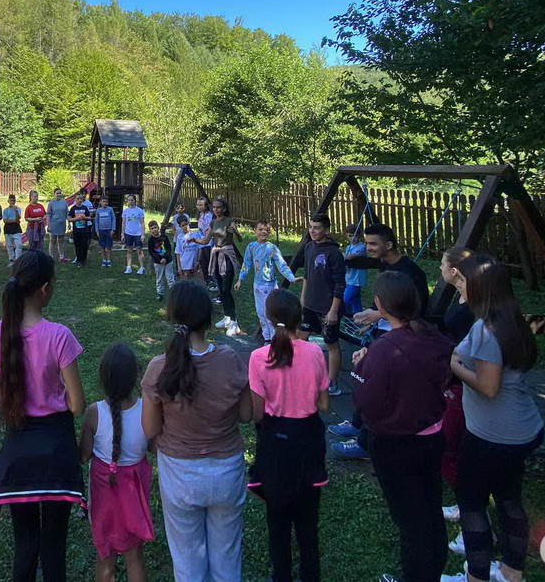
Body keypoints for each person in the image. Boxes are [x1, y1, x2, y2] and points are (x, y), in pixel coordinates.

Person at [0, 251, 86, 582]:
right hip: (56, 452)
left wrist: (17, 392)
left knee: (25, 546)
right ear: (45, 289)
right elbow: (77, 405)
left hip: (18, 454)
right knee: (54, 546)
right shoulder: (59, 335)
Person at [141, 281, 252, 582]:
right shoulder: (230, 359)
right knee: (227, 558)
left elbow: (150, 429)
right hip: (227, 472)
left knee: (187, 560)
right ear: (208, 319)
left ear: (172, 316)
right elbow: (246, 415)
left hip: (179, 475)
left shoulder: (159, 367)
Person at [443, 255, 544, 582]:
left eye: (465, 281)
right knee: (508, 497)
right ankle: (512, 571)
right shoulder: (513, 321)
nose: (461, 285)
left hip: (492, 435)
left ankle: (476, 576)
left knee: (471, 503)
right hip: (523, 428)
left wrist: (454, 365)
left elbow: (488, 387)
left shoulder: (485, 330)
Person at [351, 271, 453, 582]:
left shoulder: (384, 349)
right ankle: (432, 572)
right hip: (432, 437)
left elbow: (366, 402)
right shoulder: (435, 338)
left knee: (411, 522)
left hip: (396, 446)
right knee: (431, 510)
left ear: (380, 304)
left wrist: (361, 366)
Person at [248, 288, 329, 582]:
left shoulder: (258, 357)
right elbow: (324, 404)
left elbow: (258, 413)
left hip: (275, 445)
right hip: (307, 441)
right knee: (308, 525)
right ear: (299, 317)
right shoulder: (315, 353)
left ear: (269, 318)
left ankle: (281, 575)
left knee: (277, 522)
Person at [332, 222, 429, 458]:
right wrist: (373, 321)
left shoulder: (411, 272)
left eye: (373, 244)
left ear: (389, 244)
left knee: (377, 385)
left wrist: (378, 314)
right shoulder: (386, 264)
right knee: (363, 376)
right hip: (382, 330)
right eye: (366, 243)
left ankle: (365, 443)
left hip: (398, 337)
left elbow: (415, 311)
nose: (368, 248)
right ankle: (357, 423)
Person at [79, 342, 154, 582]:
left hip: (103, 495)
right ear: (135, 377)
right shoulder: (146, 410)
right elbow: (153, 447)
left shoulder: (94, 413)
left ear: (103, 378)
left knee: (105, 556)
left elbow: (83, 456)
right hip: (135, 492)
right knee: (135, 555)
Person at [436, 247, 477, 542]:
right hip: (453, 380)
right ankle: (466, 507)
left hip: (463, 383)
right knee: (453, 448)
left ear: (454, 271)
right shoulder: (460, 298)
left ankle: (474, 518)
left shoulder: (474, 308)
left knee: (448, 449)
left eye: (442, 264)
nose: (439, 268)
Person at [288, 213, 347, 394]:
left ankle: (332, 383)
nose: (312, 231)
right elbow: (307, 275)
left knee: (331, 343)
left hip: (328, 307)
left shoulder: (334, 253)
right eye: (310, 227)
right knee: (300, 337)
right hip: (310, 304)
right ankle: (299, 373)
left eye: (317, 228)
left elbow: (340, 284)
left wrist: (333, 310)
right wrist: (303, 297)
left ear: (326, 231)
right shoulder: (309, 247)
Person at [238, 220, 297, 343]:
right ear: (255, 231)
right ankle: (267, 338)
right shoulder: (251, 247)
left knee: (270, 313)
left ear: (269, 233)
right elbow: (246, 263)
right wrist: (240, 279)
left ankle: (275, 339)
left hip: (269, 286)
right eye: (260, 229)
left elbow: (281, 264)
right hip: (257, 285)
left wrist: (291, 278)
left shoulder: (272, 248)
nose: (263, 232)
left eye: (266, 230)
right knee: (260, 312)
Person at [198, 198, 242, 337]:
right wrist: (192, 239)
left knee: (226, 289)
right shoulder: (212, 222)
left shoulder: (229, 221)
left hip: (227, 255)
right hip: (216, 255)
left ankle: (234, 322)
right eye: (214, 207)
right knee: (220, 288)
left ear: (224, 209)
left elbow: (240, 239)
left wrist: (235, 231)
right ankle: (226, 317)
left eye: (218, 207)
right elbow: (205, 240)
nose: (216, 209)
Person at [146, 220, 176, 301]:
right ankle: (160, 293)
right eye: (152, 228)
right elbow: (151, 252)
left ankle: (173, 292)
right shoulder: (151, 240)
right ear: (150, 230)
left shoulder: (164, 237)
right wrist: (159, 259)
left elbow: (168, 248)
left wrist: (165, 258)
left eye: (155, 227)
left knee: (170, 277)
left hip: (168, 261)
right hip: (158, 262)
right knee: (159, 278)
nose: (154, 230)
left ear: (158, 228)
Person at [343, 225, 367, 316]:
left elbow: (350, 257)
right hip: (349, 276)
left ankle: (349, 315)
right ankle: (358, 318)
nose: (353, 238)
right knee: (355, 300)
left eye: (355, 235)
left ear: (359, 235)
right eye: (350, 236)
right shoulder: (348, 247)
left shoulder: (361, 247)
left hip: (357, 279)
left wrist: (339, 254)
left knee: (346, 298)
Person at [122, 195, 147, 276]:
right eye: (129, 200)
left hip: (137, 234)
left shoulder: (139, 211)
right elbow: (123, 223)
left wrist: (143, 234)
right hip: (128, 233)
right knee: (129, 250)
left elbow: (142, 223)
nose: (130, 201)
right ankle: (128, 267)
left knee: (139, 250)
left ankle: (142, 267)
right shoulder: (125, 211)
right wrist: (122, 234)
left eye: (132, 200)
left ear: (135, 201)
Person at [68, 192, 94, 267]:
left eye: (81, 198)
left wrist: (84, 218)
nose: (80, 200)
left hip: (85, 230)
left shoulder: (85, 208)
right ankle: (79, 260)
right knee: (77, 245)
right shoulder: (73, 208)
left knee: (84, 245)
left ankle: (84, 260)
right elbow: (69, 219)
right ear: (75, 199)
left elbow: (89, 217)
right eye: (78, 199)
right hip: (76, 230)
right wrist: (77, 218)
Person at [195, 197, 215, 290]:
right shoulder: (200, 215)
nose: (199, 207)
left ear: (206, 205)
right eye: (198, 205)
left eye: (201, 205)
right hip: (201, 240)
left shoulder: (210, 215)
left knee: (209, 259)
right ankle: (206, 279)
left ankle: (212, 279)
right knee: (202, 260)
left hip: (209, 240)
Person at [46, 188, 70, 262]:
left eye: (60, 193)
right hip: (53, 224)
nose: (59, 194)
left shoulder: (64, 203)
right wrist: (48, 225)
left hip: (62, 224)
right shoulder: (51, 203)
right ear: (54, 194)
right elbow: (48, 215)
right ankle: (51, 257)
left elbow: (67, 213)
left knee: (61, 240)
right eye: (57, 193)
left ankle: (62, 257)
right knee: (52, 241)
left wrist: (69, 223)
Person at [174, 214, 200, 280]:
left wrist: (198, 261)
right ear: (180, 226)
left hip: (194, 262)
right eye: (183, 225)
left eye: (186, 224)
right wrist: (179, 266)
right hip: (185, 264)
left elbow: (200, 248)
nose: (185, 227)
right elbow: (178, 252)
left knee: (197, 281)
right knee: (185, 282)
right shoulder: (180, 237)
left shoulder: (195, 234)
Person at [95, 196, 117, 268]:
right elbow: (96, 221)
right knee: (102, 246)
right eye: (103, 201)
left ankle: (109, 260)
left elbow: (113, 219)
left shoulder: (110, 209)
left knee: (109, 246)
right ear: (100, 202)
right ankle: (104, 260)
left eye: (106, 202)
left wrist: (113, 229)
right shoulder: (98, 210)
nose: (105, 203)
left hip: (109, 230)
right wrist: (97, 231)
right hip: (101, 230)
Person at [3, 194, 24, 265]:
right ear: (8, 201)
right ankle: (11, 260)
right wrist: (14, 221)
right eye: (11, 200)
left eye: (13, 200)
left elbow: (18, 218)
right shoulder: (5, 210)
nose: (12, 202)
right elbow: (5, 220)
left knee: (19, 244)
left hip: (16, 228)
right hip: (8, 229)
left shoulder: (18, 209)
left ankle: (18, 260)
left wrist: (15, 211)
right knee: (9, 246)